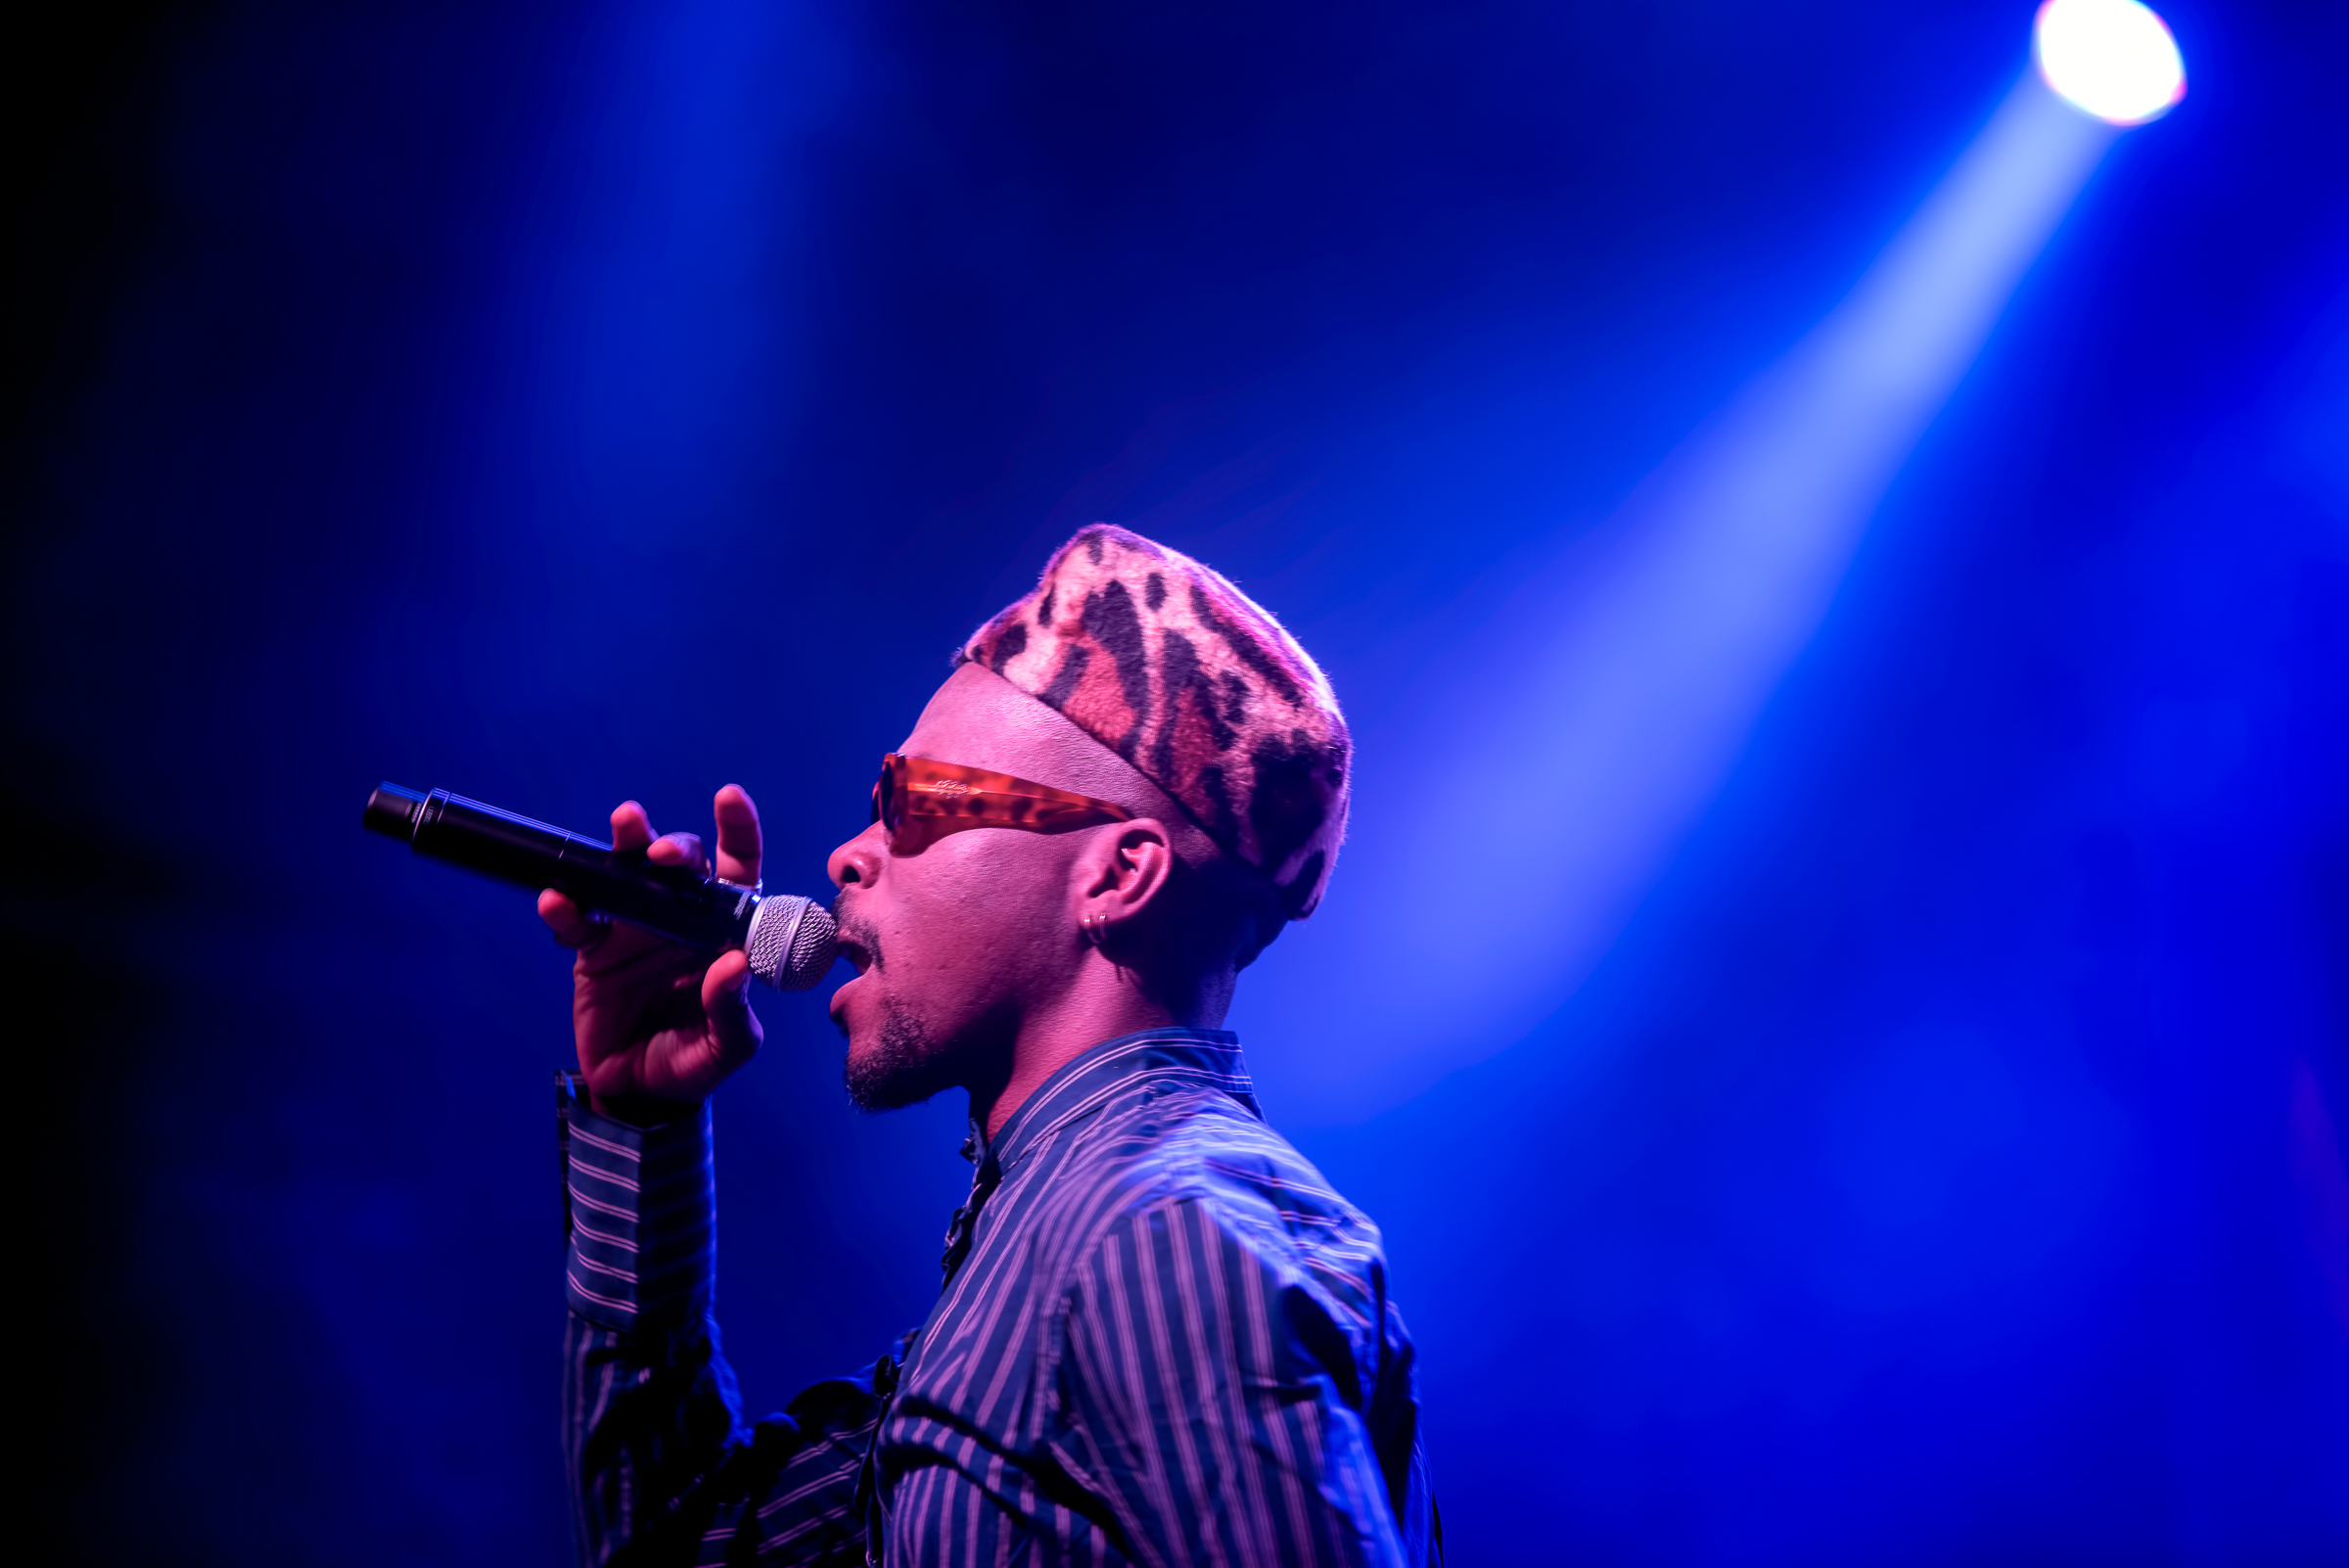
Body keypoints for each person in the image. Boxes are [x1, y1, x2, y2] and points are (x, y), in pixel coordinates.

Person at [543, 525, 1437, 1567]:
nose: (849, 853)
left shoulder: (1163, 1235)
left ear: (1118, 876)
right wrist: (639, 1121)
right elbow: (672, 1550)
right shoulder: (1058, 1242)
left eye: (914, 804)